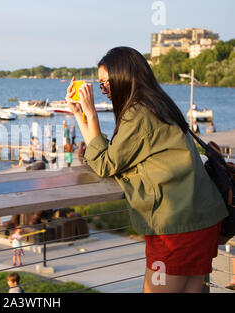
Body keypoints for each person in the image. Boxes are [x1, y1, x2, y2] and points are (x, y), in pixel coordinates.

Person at [66, 46, 227, 293]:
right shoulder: (157, 103)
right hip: (201, 219)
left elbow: (104, 163)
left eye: (105, 84)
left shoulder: (137, 114)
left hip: (175, 228)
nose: (104, 91)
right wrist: (80, 114)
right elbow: (111, 155)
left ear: (123, 77)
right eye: (100, 86)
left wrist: (90, 112)